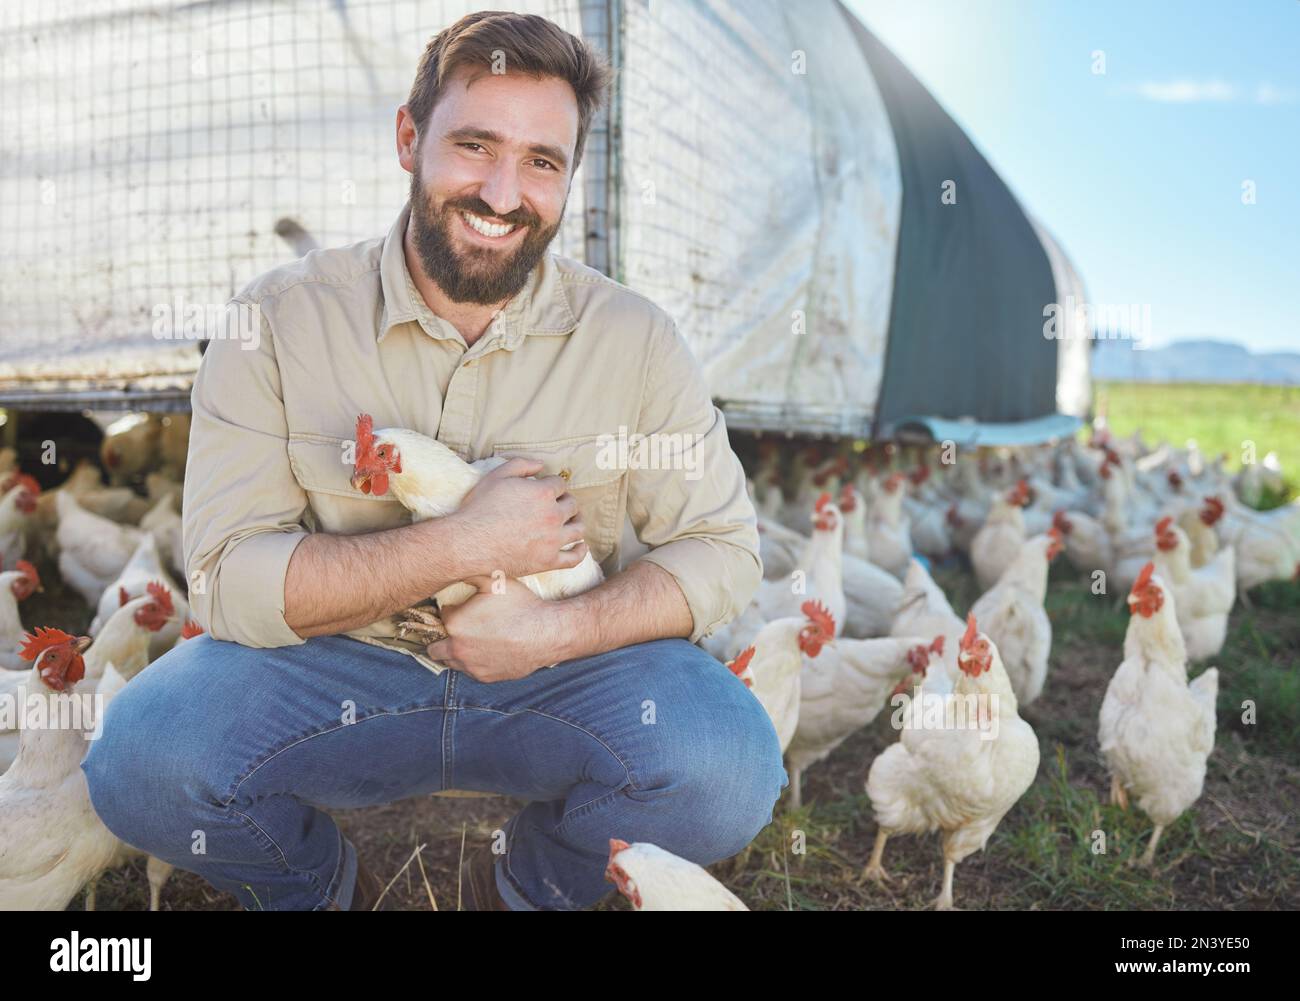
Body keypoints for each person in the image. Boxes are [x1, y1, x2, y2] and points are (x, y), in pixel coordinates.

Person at [82, 10, 783, 911]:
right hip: (338, 669)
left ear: (569, 178)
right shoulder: (278, 322)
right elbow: (223, 578)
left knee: (725, 769)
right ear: (409, 138)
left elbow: (723, 550)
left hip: (562, 677)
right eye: (475, 144)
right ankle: (325, 887)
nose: (502, 192)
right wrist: (459, 543)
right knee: (143, 763)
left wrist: (555, 633)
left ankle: (530, 888)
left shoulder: (636, 340)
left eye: (542, 161)